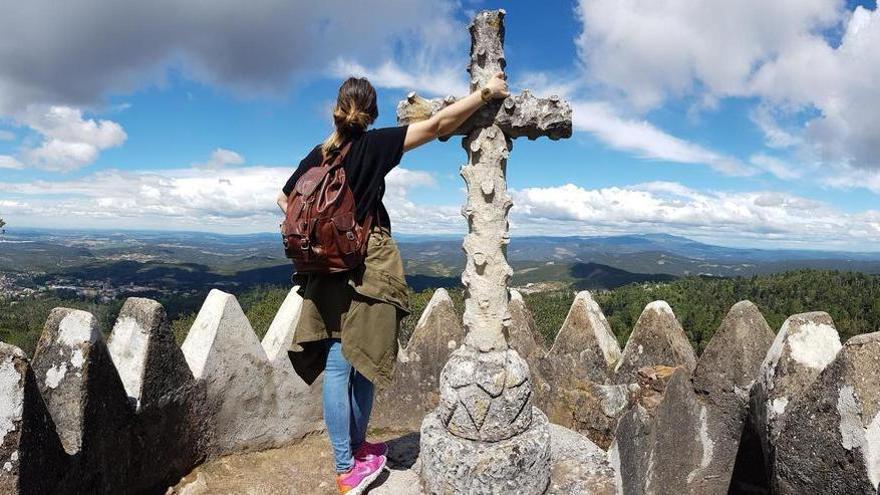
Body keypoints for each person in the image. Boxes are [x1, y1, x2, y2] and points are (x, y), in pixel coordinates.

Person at [277, 72, 509, 494]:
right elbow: (438, 126)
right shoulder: (374, 145)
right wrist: (485, 94)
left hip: (323, 273)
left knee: (337, 363)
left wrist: (322, 235)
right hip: (365, 267)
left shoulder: (319, 154)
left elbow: (285, 199)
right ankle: (348, 467)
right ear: (372, 113)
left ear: (337, 108)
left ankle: (355, 455)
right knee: (361, 362)